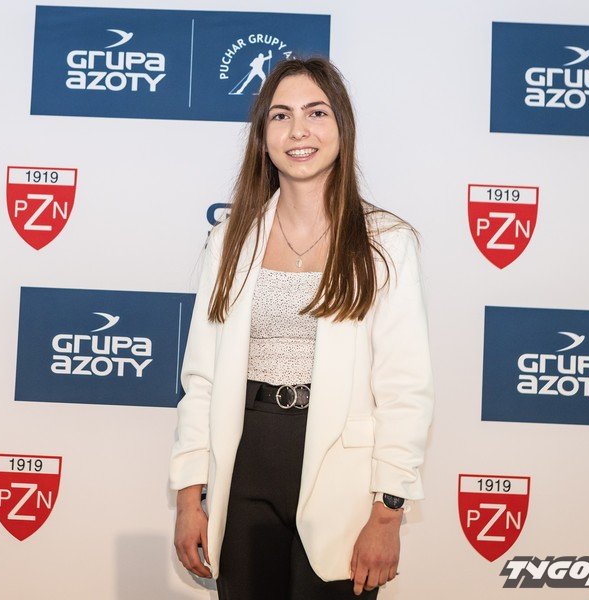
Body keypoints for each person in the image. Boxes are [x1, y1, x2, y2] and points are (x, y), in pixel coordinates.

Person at [170, 57, 434, 599]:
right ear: (262, 135)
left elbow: (405, 388)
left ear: (342, 127)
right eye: (280, 115)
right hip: (245, 464)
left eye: (316, 113)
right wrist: (188, 497)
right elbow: (202, 380)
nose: (298, 131)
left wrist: (388, 513)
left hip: (345, 479)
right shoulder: (230, 240)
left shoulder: (386, 243)